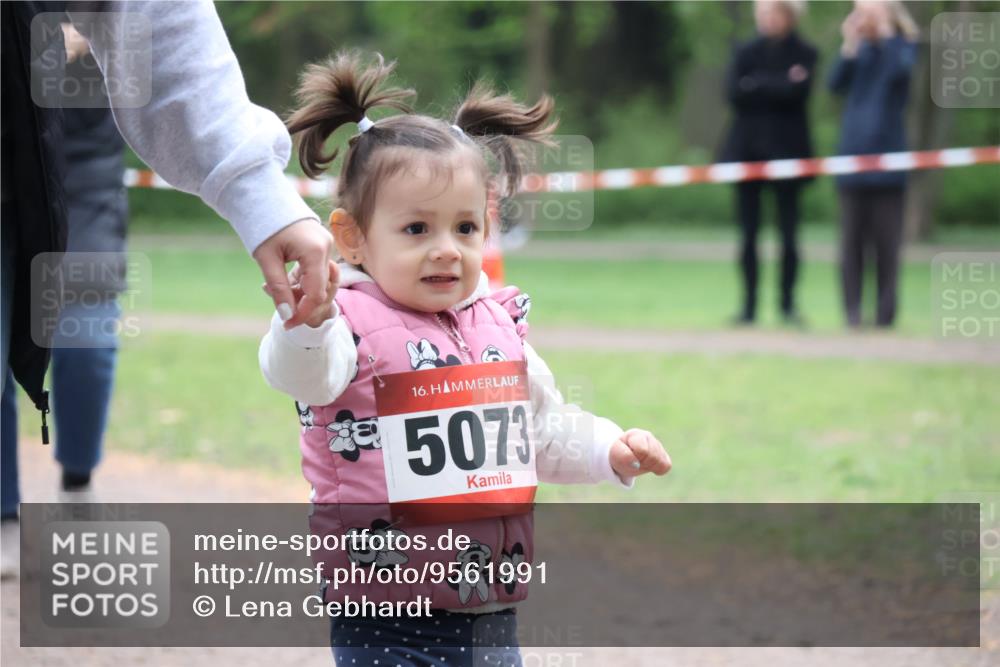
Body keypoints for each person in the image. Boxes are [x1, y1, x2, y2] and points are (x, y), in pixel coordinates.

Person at [258, 51, 672, 666]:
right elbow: (300, 376)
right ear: (352, 237)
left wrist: (609, 449)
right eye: (417, 229)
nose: (446, 250)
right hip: (383, 614)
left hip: (489, 605)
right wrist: (306, 323)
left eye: (465, 228)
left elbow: (540, 429)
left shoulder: (499, 328)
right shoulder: (342, 323)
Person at [1, 2, 331, 578]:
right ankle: (5, 511)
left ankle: (77, 486)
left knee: (88, 337)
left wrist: (261, 197)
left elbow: (160, 25)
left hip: (79, 173)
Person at [719, 0, 817, 325]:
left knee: (788, 235)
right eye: (762, 14)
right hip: (748, 153)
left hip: (789, 153)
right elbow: (734, 93)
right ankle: (748, 307)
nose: (767, 20)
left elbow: (798, 93)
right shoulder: (744, 51)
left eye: (774, 13)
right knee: (748, 235)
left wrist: (757, 83)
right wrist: (780, 83)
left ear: (789, 16)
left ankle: (787, 305)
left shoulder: (805, 52)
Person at [829, 0, 919, 328]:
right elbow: (833, 84)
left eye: (873, 12)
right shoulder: (858, 51)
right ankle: (852, 312)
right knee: (851, 243)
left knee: (886, 244)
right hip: (852, 157)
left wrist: (886, 35)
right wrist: (850, 44)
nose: (865, 19)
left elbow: (901, 73)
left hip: (889, 162)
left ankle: (885, 313)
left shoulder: (904, 47)